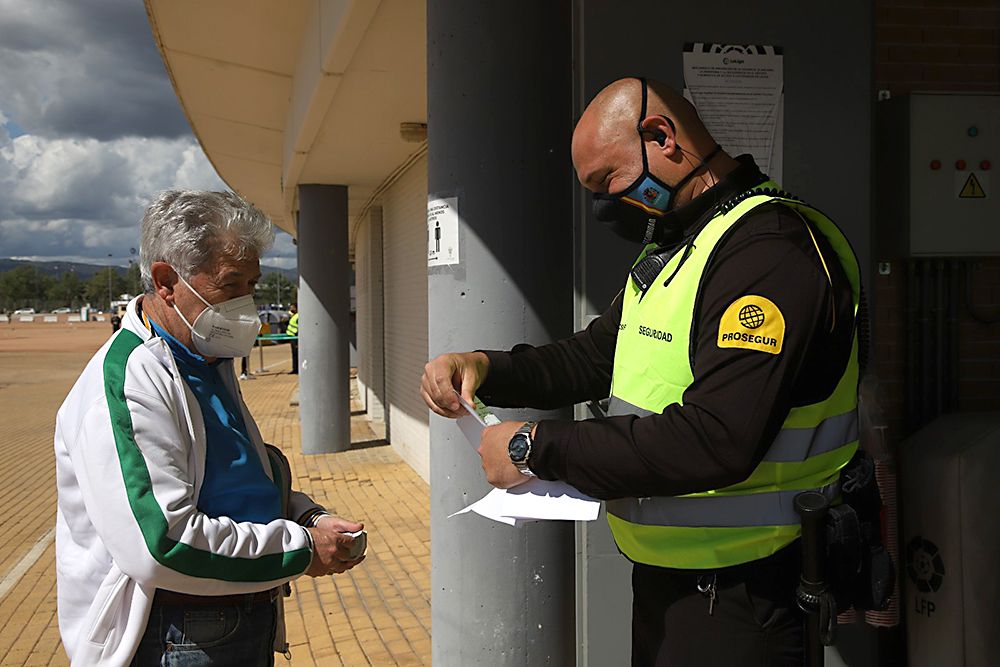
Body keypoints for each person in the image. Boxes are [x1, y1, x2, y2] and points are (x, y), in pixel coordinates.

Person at [421, 77, 860, 666]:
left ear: (662, 137)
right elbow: (592, 357)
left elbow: (717, 439)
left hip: (747, 593)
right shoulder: (683, 248)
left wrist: (533, 448)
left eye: (610, 181)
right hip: (675, 584)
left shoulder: (770, 251)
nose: (606, 205)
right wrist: (483, 367)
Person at [55, 190, 366, 667]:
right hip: (177, 635)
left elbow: (233, 477)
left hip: (240, 614)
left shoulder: (205, 358)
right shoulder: (127, 382)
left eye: (254, 283)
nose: (247, 302)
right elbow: (163, 544)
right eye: (231, 283)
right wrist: (302, 550)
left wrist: (305, 516)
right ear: (165, 281)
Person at [285, 303, 299, 374]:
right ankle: (295, 369)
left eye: (292, 308)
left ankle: (297, 369)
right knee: (294, 354)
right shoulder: (293, 316)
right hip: (292, 337)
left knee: (296, 354)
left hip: (296, 337)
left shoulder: (298, 316)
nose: (291, 309)